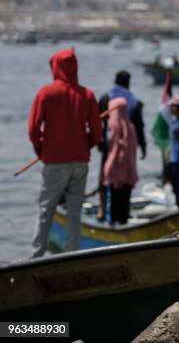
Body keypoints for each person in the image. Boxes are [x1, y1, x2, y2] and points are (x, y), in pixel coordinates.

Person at [28, 48, 103, 257]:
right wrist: (83, 145)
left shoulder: (46, 93)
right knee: (74, 213)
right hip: (80, 163)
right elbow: (97, 134)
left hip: (54, 162)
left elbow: (33, 130)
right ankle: (71, 256)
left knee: (46, 211)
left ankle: (36, 256)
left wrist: (42, 150)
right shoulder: (87, 95)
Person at [97, 70, 146, 221]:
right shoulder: (134, 101)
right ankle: (124, 212)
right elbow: (139, 126)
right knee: (126, 177)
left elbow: (97, 122)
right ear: (128, 82)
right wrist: (143, 147)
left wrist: (99, 143)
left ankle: (102, 209)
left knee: (105, 175)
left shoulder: (105, 98)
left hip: (109, 145)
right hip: (128, 147)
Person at [102, 98, 138, 224]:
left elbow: (108, 148)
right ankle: (124, 224)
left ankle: (112, 225)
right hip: (128, 173)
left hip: (115, 174)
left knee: (113, 205)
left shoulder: (113, 127)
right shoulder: (131, 127)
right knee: (124, 204)